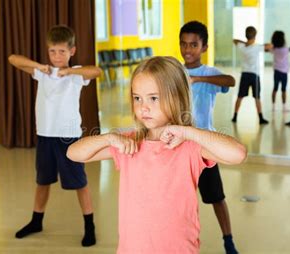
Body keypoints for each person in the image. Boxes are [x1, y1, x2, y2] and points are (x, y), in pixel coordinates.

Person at [67, 56, 247, 254]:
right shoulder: (129, 143)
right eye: (137, 98)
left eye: (153, 98)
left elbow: (238, 154)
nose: (143, 107)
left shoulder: (190, 146)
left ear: (177, 97)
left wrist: (187, 132)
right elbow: (74, 153)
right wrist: (109, 138)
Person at [8, 25, 102, 246]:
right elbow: (13, 59)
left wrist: (69, 71)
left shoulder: (76, 74)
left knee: (80, 183)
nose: (57, 56)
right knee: (43, 181)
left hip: (68, 137)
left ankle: (90, 226)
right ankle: (36, 221)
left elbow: (96, 71)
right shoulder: (43, 73)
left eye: (62, 51)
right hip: (45, 136)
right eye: (52, 51)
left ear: (72, 50)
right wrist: (40, 66)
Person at [179, 20, 239, 254]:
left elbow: (230, 81)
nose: (187, 50)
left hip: (204, 148)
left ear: (204, 47)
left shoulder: (209, 73)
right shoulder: (175, 71)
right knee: (181, 199)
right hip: (179, 147)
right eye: (183, 44)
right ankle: (184, 242)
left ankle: (228, 240)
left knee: (216, 197)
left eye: (193, 45)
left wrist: (198, 80)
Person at [231, 26, 271, 124]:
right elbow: (270, 46)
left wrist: (246, 43)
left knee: (240, 96)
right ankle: (261, 118)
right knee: (257, 97)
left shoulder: (242, 46)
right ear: (255, 36)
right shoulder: (257, 47)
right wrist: (254, 43)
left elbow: (234, 40)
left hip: (245, 74)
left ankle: (235, 116)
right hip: (254, 75)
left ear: (246, 35)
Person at [268, 30, 289, 111]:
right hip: (284, 73)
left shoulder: (273, 49)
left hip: (276, 71)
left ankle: (273, 107)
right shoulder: (286, 49)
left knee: (275, 88)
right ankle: (284, 107)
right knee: (284, 89)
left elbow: (268, 48)